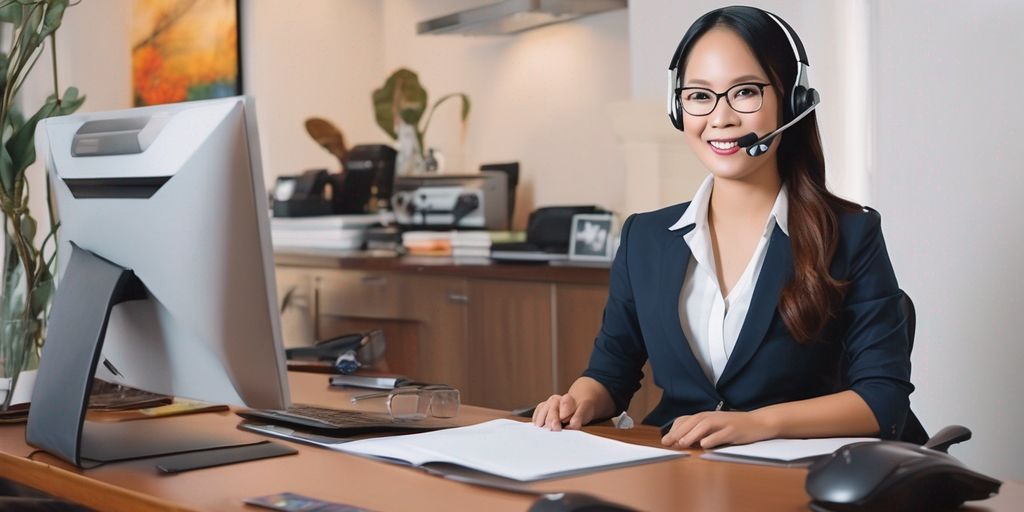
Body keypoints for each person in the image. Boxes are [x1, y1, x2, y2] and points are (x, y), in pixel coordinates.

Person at [532, 6, 914, 449]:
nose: (721, 118)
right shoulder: (645, 238)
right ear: (679, 108)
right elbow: (610, 374)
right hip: (677, 469)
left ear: (792, 101)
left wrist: (758, 424)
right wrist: (578, 399)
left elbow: (882, 400)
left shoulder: (850, 234)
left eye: (745, 92)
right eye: (699, 96)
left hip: (797, 477)